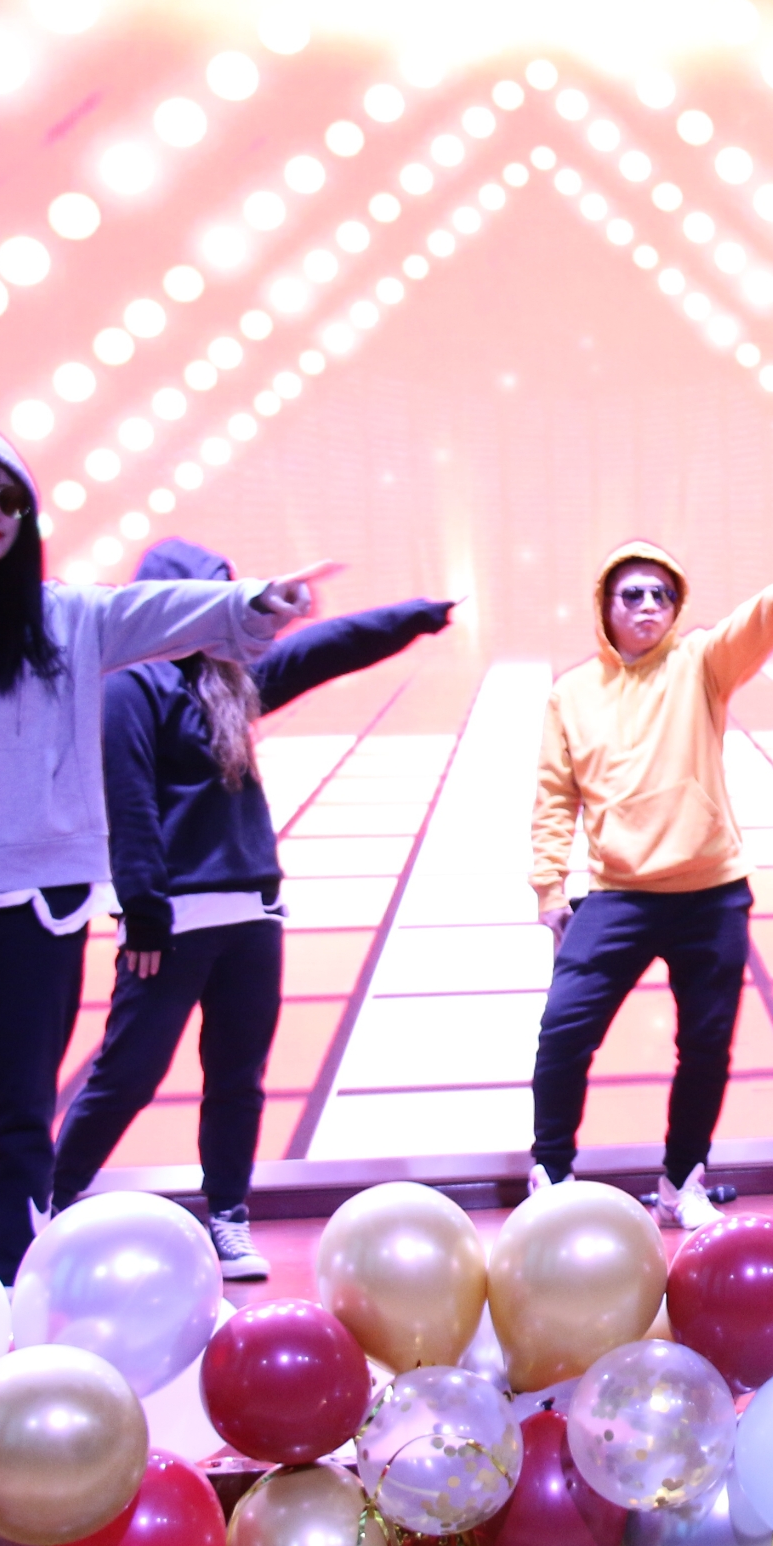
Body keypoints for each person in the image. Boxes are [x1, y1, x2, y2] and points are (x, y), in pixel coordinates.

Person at [0, 423, 336, 1282]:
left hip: (43, 907)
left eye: (10, 499)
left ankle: (16, 1291)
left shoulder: (62, 616)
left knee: (22, 1113)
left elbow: (157, 611)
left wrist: (256, 601)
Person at [47, 540, 454, 1280]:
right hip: (171, 923)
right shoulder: (129, 684)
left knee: (237, 1079)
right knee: (127, 1075)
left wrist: (417, 616)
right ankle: (48, 1203)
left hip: (252, 916)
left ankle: (228, 1217)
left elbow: (326, 649)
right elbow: (128, 800)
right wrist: (143, 909)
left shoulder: (229, 680)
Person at [529, 545, 773, 1229]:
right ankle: (551, 1172)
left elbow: (742, 633)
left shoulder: (699, 663)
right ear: (605, 606)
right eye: (632, 594)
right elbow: (554, 796)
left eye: (661, 595)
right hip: (618, 893)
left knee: (705, 1047)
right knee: (563, 1031)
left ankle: (682, 1181)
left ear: (676, 607)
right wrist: (549, 888)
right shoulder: (571, 693)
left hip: (711, 893)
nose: (648, 606)